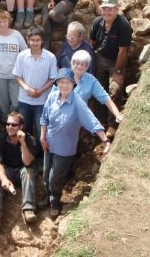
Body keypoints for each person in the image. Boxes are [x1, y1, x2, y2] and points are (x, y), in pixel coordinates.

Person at [40, 68, 110, 218]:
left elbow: (91, 120)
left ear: (73, 84)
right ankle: (48, 197)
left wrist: (105, 139)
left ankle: (55, 201)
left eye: (67, 82)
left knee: (54, 178)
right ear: (57, 84)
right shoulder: (52, 97)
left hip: (65, 149)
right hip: (49, 144)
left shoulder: (77, 102)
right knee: (46, 175)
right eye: (61, 82)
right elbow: (44, 118)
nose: (64, 85)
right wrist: (42, 137)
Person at [0, 112, 37, 230]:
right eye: (8, 124)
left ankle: (28, 209)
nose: (9, 127)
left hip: (22, 169)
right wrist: (3, 179)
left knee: (30, 171)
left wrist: (22, 143)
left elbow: (27, 162)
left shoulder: (30, 139)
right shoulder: (1, 140)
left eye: (14, 125)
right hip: (7, 170)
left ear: (21, 127)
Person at [90, 0, 132, 138]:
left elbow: (123, 51)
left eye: (110, 9)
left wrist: (118, 71)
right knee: (97, 90)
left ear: (116, 10)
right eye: (104, 9)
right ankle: (99, 122)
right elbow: (93, 42)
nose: (107, 12)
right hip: (100, 59)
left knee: (114, 89)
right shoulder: (97, 22)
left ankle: (112, 125)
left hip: (116, 61)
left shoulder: (123, 25)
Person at [13, 25, 57, 155]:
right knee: (23, 128)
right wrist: (27, 89)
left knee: (40, 131)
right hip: (24, 99)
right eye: (32, 40)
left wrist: (40, 91)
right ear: (28, 40)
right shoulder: (22, 56)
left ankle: (38, 156)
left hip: (42, 101)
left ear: (42, 40)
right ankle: (23, 153)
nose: (35, 43)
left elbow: (53, 78)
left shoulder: (50, 57)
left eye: (37, 40)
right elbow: (17, 76)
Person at [69, 50, 123, 124]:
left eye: (83, 64)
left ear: (87, 67)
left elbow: (106, 99)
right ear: (72, 64)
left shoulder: (90, 80)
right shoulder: (63, 76)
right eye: (77, 63)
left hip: (77, 119)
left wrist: (117, 115)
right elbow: (53, 98)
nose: (79, 66)